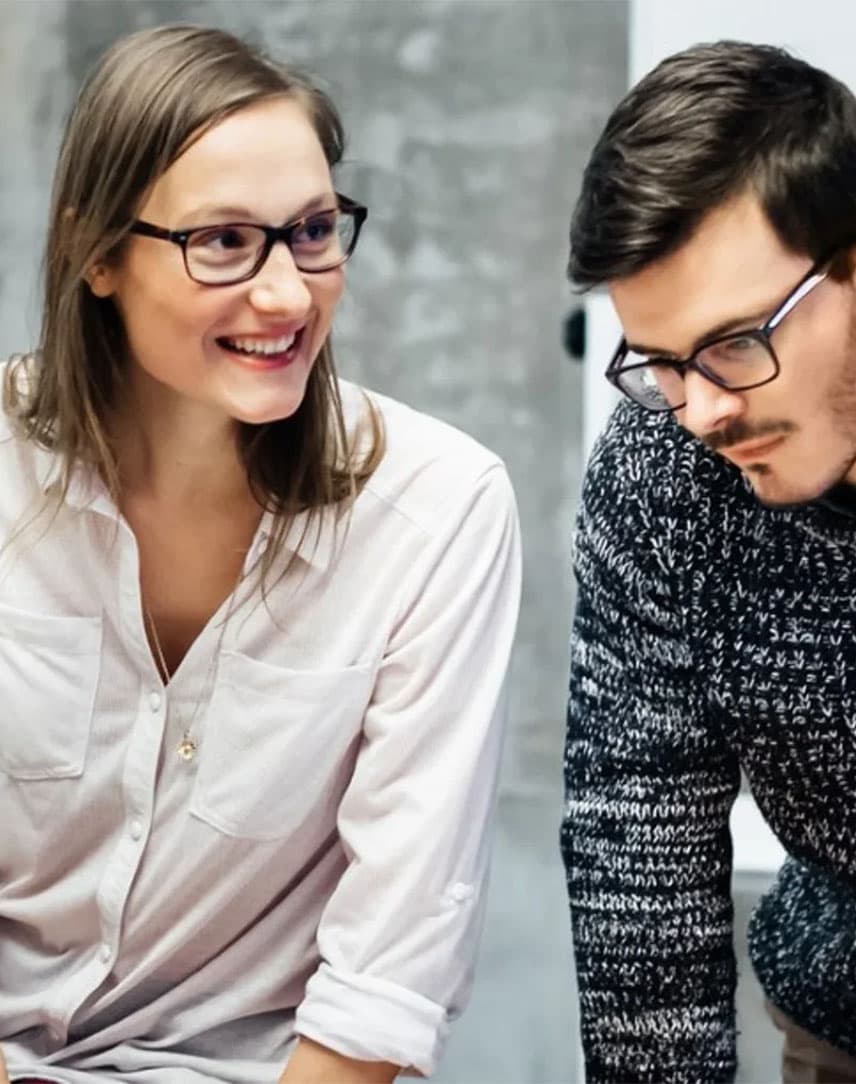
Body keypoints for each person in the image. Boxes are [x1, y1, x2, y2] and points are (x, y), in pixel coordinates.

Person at [0, 23, 522, 1084]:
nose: (288, 294)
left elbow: (390, 972)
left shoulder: (437, 510)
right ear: (96, 252)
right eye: (224, 242)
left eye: (314, 231)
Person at [562, 40, 856, 1084]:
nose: (703, 411)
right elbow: (640, 848)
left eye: (734, 343)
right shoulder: (661, 473)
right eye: (660, 362)